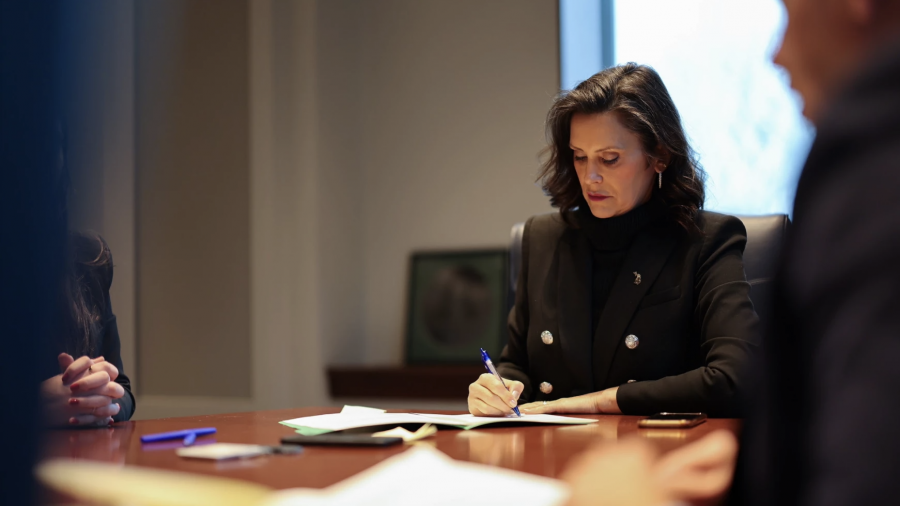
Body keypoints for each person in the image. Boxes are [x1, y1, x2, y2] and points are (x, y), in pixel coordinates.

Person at [562, 0, 900, 505]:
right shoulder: (549, 239)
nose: (776, 54)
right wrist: (769, 464)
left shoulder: (872, 167)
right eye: (580, 159)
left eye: (790, 14)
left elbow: (864, 473)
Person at [468, 64, 760, 418]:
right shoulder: (543, 237)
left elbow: (736, 377)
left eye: (609, 159)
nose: (590, 177)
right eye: (579, 157)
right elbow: (518, 366)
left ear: (659, 157)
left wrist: (595, 402)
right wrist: (498, 390)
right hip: (550, 455)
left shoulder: (706, 240)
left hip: (658, 457)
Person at [39, 232, 136, 427]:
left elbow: (123, 389)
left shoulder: (88, 258)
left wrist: (97, 399)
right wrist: (35, 407)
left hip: (80, 453)